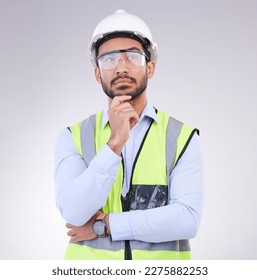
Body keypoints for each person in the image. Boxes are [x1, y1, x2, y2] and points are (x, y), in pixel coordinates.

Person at [54, 9, 203, 260]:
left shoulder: (182, 137)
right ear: (97, 73)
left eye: (132, 56)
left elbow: (187, 219)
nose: (121, 67)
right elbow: (74, 212)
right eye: (109, 59)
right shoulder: (73, 136)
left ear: (151, 67)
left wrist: (106, 226)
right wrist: (114, 143)